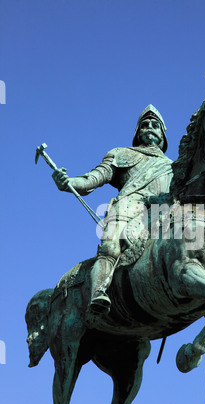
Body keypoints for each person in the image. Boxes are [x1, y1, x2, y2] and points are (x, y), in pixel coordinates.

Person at [52, 104, 173, 315]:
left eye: (155, 125)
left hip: (164, 211)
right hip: (129, 207)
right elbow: (93, 178)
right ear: (137, 133)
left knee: (196, 246)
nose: (150, 128)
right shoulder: (121, 154)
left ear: (163, 134)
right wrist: (69, 181)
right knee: (110, 247)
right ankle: (98, 292)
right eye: (145, 125)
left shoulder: (175, 167)